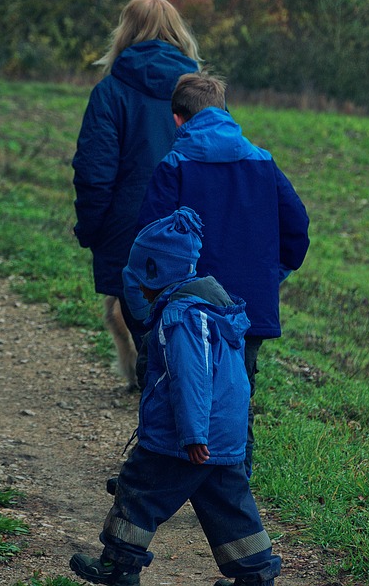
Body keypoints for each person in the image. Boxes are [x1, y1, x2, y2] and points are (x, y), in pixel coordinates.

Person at [70, 207, 282, 586]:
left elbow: (192, 380)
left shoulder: (180, 318)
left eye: (140, 281)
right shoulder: (215, 310)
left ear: (154, 272)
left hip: (182, 438)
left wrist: (192, 433)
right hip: (225, 438)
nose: (139, 291)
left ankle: (119, 564)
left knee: (139, 490)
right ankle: (255, 575)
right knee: (229, 507)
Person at [126, 73, 310, 475]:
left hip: (184, 307)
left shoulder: (174, 165)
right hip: (246, 308)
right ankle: (234, 484)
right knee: (236, 394)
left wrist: (148, 300)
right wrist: (270, 276)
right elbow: (297, 228)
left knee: (169, 383)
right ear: (224, 110)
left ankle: (155, 477)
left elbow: (151, 242)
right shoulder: (262, 161)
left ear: (177, 119)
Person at [71, 0, 200, 386]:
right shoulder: (203, 94)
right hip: (188, 227)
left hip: (129, 230)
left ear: (124, 32)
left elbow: (94, 173)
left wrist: (91, 230)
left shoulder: (110, 92)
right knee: (184, 316)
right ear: (179, 32)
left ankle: (147, 383)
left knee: (134, 310)